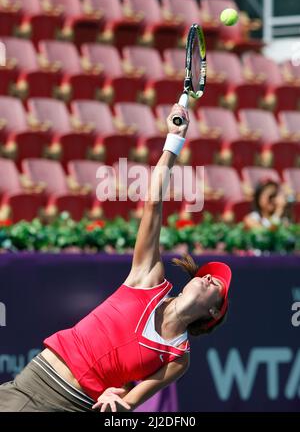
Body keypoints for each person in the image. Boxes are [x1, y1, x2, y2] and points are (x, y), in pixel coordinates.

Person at [0, 104, 231, 413]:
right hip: (37, 381)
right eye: (205, 274)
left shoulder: (178, 358)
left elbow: (129, 403)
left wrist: (115, 402)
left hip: (77, 406)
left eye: (216, 283)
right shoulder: (148, 280)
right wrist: (173, 142)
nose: (206, 277)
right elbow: (153, 205)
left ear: (214, 311)